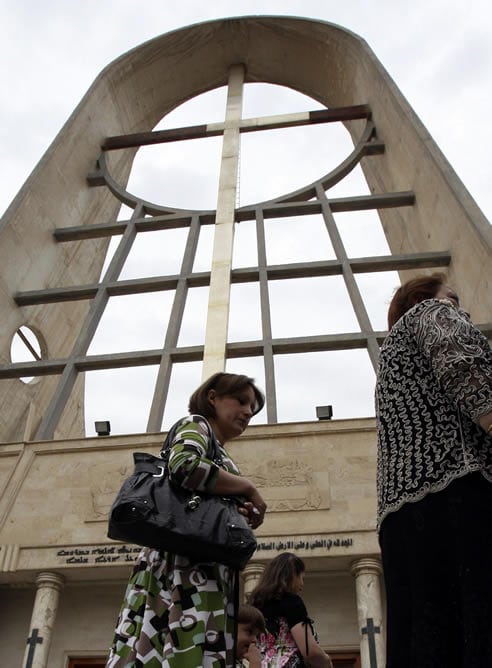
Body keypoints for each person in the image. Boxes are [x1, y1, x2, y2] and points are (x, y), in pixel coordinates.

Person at [106, 372, 267, 668]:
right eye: (242, 401)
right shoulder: (196, 424)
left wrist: (240, 511)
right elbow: (184, 465)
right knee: (178, 643)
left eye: (253, 408)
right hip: (182, 567)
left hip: (201, 569)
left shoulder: (222, 451)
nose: (247, 412)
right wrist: (247, 487)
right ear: (212, 397)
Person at [376, 273, 492, 667]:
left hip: (402, 513)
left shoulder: (392, 357)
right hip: (455, 490)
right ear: (424, 299)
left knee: (424, 640)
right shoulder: (430, 313)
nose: (462, 311)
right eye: (454, 299)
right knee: (475, 626)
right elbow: (465, 367)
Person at [248, 552, 333, 667]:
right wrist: (327, 661)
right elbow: (310, 652)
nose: (302, 585)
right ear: (292, 576)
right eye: (301, 578)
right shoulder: (292, 602)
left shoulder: (255, 604)